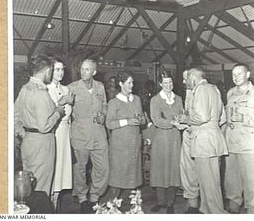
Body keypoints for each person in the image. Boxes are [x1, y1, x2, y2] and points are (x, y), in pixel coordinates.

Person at [14, 55, 72, 196]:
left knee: (28, 188)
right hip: (42, 143)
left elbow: (15, 115)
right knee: (41, 190)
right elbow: (44, 126)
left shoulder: (25, 88)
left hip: (28, 141)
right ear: (47, 71)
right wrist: (58, 112)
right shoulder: (40, 92)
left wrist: (24, 133)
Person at [179, 67, 227, 214]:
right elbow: (222, 118)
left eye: (187, 80)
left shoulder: (200, 89)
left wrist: (184, 119)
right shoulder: (214, 89)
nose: (186, 82)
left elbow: (201, 117)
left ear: (194, 78)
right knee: (210, 183)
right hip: (211, 140)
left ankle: (217, 213)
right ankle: (206, 211)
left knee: (210, 185)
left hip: (203, 142)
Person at [68, 59, 109, 213]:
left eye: (87, 69)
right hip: (80, 134)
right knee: (79, 169)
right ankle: (82, 198)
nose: (83, 72)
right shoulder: (72, 88)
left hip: (98, 133)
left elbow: (104, 105)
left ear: (94, 72)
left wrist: (103, 115)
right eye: (82, 69)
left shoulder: (100, 87)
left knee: (103, 168)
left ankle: (95, 196)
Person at [224, 63, 254, 214]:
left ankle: (252, 210)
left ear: (248, 74)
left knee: (251, 181)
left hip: (250, 144)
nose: (235, 77)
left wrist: (245, 118)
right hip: (232, 143)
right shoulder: (230, 93)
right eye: (233, 75)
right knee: (232, 180)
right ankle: (234, 207)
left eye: (239, 74)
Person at [105, 71, 146, 211]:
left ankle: (131, 209)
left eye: (132, 82)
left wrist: (142, 120)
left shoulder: (137, 99)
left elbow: (142, 120)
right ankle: (111, 209)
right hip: (119, 147)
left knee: (133, 180)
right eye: (129, 82)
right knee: (117, 180)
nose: (132, 85)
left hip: (134, 145)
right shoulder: (114, 102)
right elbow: (109, 124)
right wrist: (127, 121)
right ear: (121, 84)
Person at [148, 71, 183, 214]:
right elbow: (156, 119)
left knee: (173, 169)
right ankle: (160, 201)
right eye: (166, 83)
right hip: (161, 138)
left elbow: (182, 113)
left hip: (175, 138)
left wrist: (181, 119)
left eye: (171, 82)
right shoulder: (155, 100)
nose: (169, 85)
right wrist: (173, 122)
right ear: (160, 84)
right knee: (160, 170)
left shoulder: (179, 98)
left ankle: (170, 202)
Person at [47, 58, 73, 208]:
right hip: (53, 133)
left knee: (62, 172)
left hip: (64, 133)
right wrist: (61, 102)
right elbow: (47, 113)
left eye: (62, 69)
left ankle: (56, 203)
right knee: (54, 171)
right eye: (57, 69)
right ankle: (49, 206)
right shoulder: (45, 88)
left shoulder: (66, 89)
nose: (61, 72)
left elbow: (69, 114)